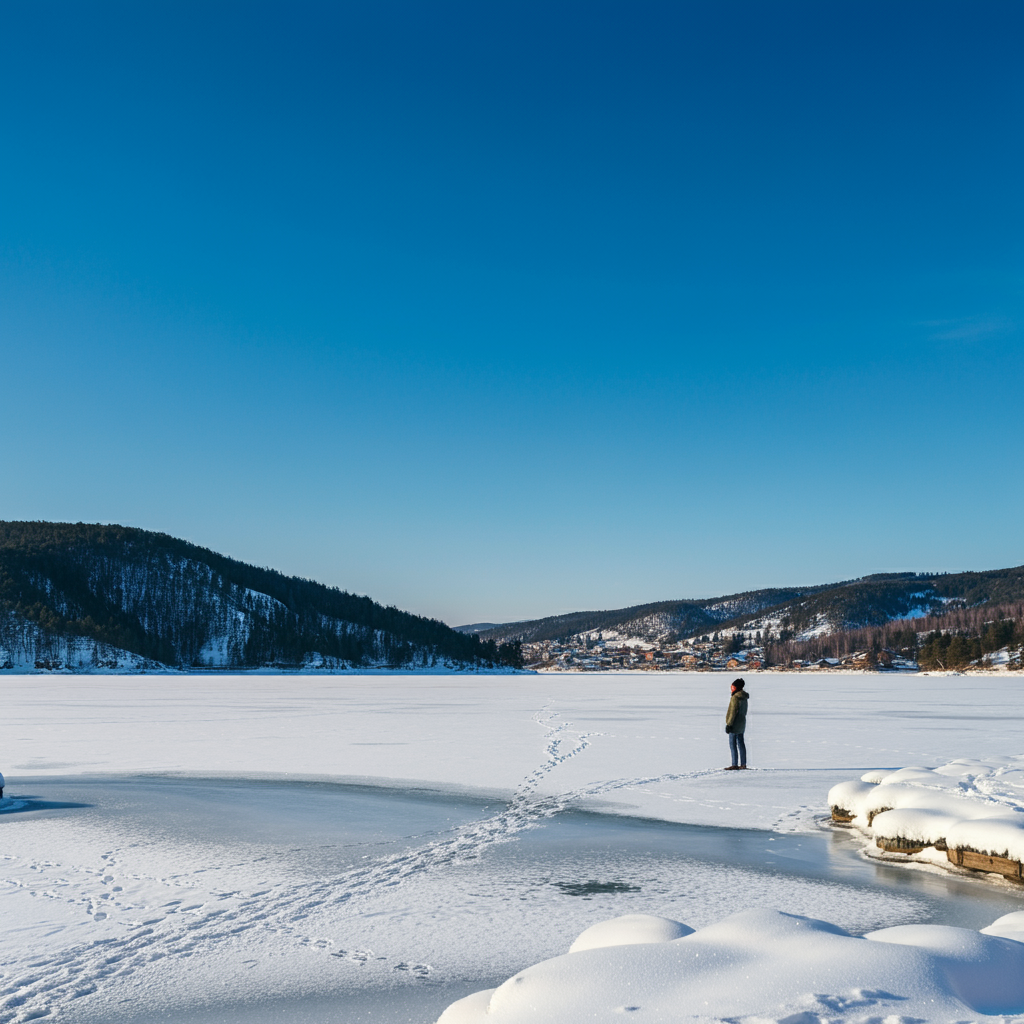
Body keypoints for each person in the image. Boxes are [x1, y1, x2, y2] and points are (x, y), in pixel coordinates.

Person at [724, 678, 748, 770]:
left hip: (734, 723)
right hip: (741, 723)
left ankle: (734, 764)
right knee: (741, 743)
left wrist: (729, 724)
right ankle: (743, 764)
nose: (731, 688)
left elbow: (733, 711)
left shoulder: (735, 697)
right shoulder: (744, 697)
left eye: (733, 686)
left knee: (732, 743)